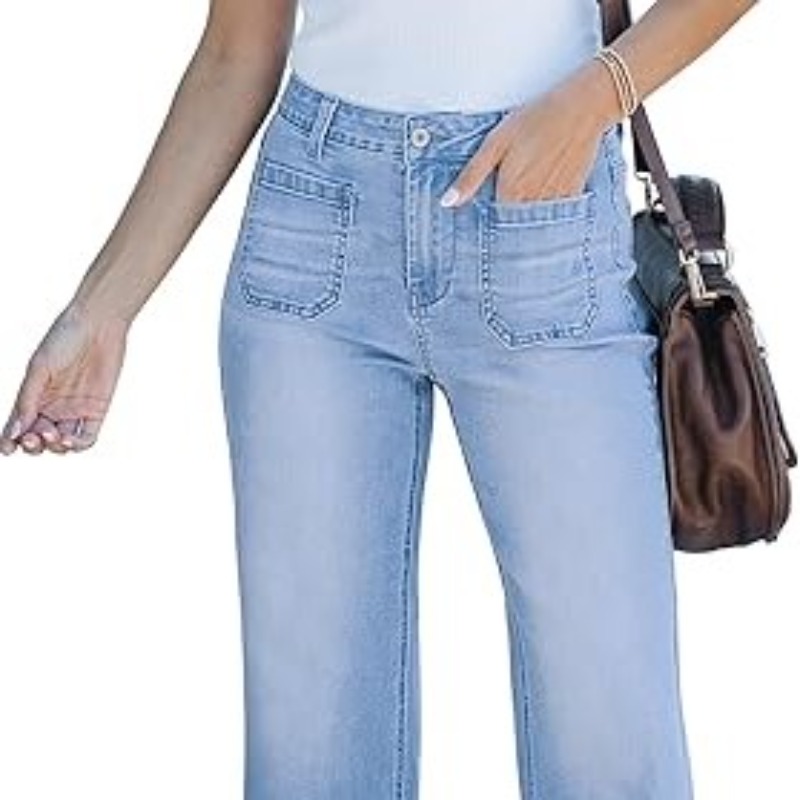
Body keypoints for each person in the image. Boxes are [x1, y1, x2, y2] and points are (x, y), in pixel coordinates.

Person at [1, 0, 760, 797]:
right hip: (313, 228)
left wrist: (597, 97)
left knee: (611, 738)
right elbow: (237, 51)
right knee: (312, 754)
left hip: (543, 224)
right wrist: (102, 309)